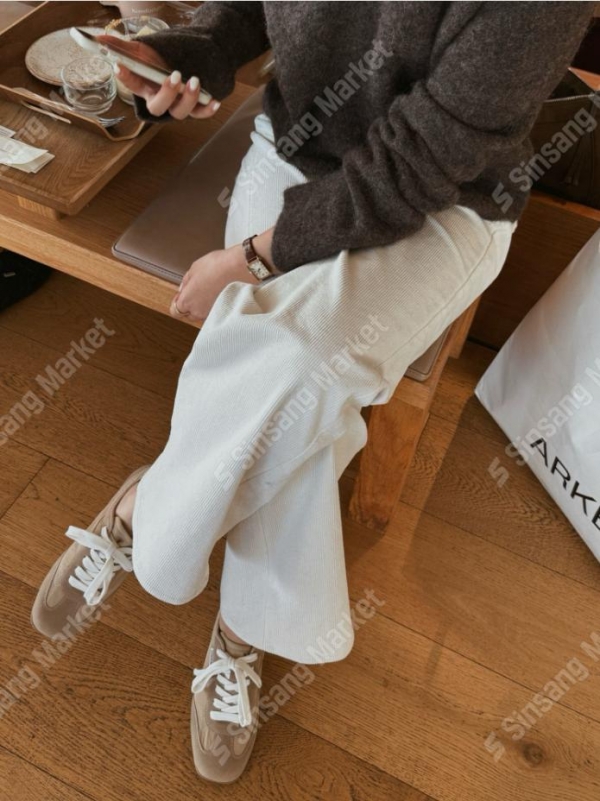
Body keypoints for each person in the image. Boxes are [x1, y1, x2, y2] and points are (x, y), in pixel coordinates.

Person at [32, 1, 593, 785]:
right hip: (299, 146)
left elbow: (424, 158)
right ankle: (242, 632)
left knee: (301, 358)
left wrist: (254, 257)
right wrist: (196, 51)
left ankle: (145, 509)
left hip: (448, 199)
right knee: (301, 408)